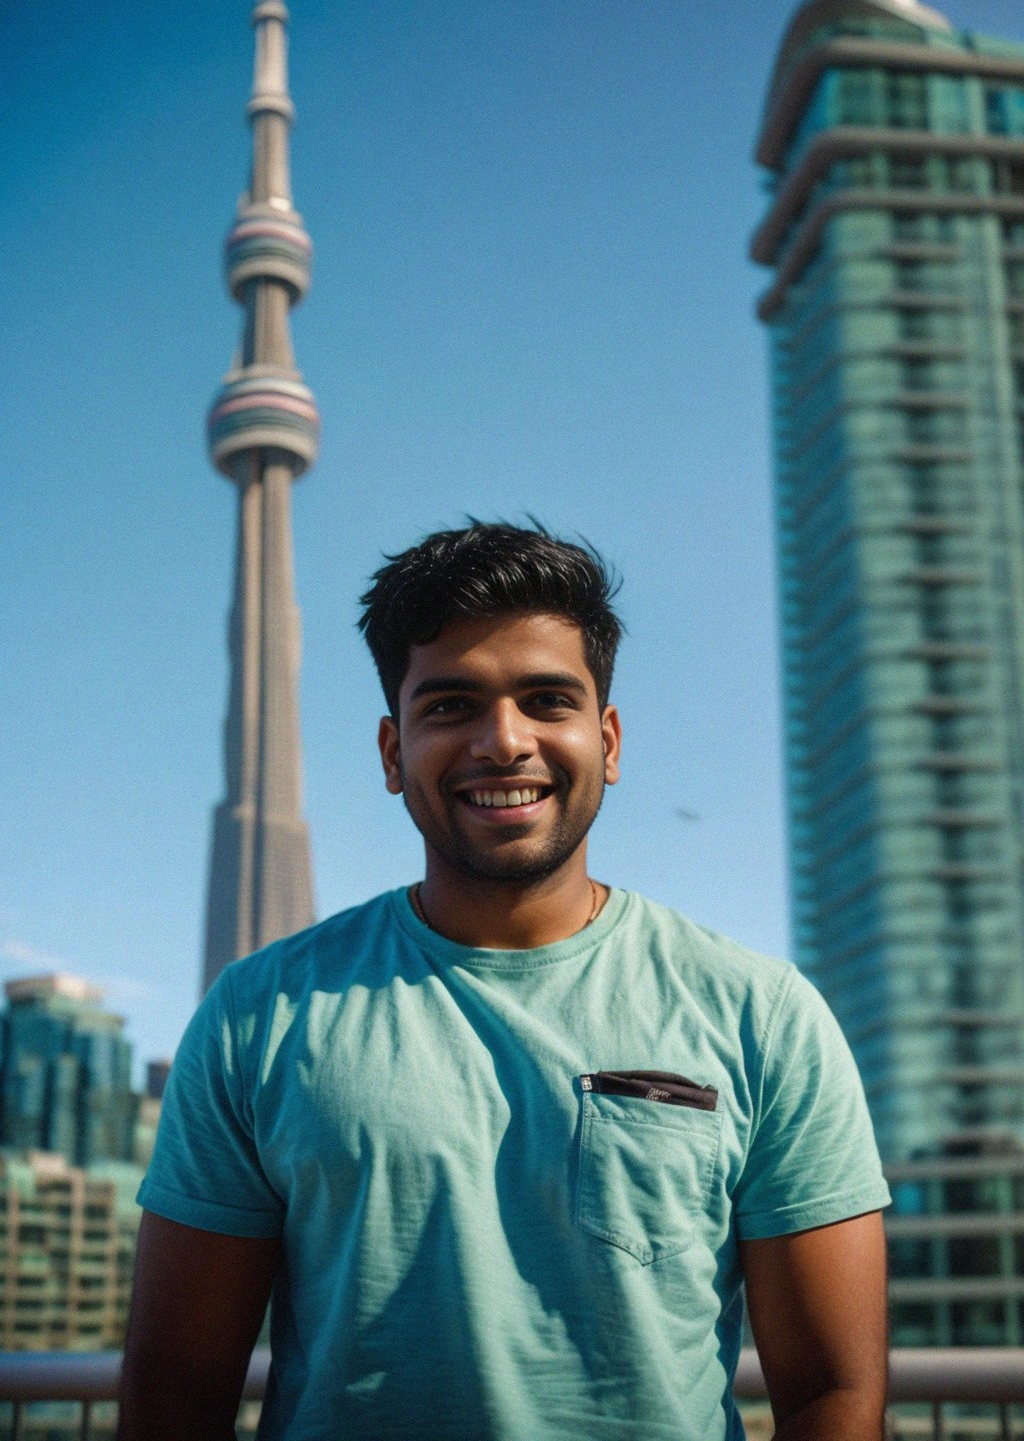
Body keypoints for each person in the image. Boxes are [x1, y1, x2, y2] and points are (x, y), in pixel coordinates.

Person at [119, 522, 890, 1441]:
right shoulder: (260, 1015)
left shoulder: (763, 1015)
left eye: (546, 700)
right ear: (391, 753)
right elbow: (173, 1396)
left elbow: (833, 1397)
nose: (504, 741)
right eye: (450, 706)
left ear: (606, 740)